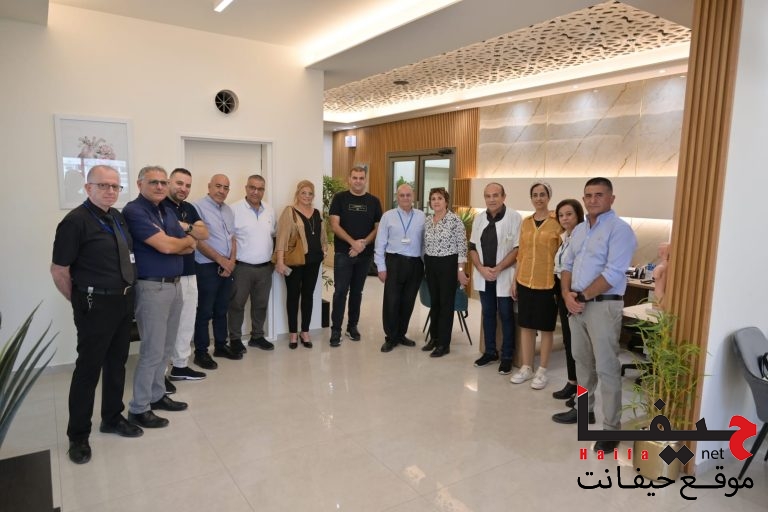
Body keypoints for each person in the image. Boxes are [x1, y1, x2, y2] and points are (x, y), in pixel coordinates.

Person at [51, 165, 142, 464]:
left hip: (122, 301)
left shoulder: (116, 217)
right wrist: (79, 300)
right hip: (94, 305)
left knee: (117, 364)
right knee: (88, 370)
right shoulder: (75, 221)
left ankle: (112, 418)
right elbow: (59, 270)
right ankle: (78, 436)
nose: (110, 191)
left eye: (115, 186)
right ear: (88, 187)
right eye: (103, 185)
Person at [552, 177, 637, 455]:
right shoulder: (579, 230)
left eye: (599, 195)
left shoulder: (620, 230)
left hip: (602, 306)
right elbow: (567, 264)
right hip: (576, 304)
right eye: (588, 195)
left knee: (606, 368)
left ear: (611, 198)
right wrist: (567, 294)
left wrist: (581, 296)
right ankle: (583, 410)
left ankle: (611, 429)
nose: (593, 200)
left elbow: (613, 273)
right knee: (581, 362)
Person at [123, 166, 196, 430]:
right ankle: (139, 408)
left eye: (163, 182)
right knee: (152, 351)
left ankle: (156, 395)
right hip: (152, 288)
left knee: (166, 348)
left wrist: (177, 243)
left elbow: (191, 244)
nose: (159, 187)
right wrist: (175, 244)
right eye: (153, 182)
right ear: (139, 183)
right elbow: (166, 245)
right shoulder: (134, 211)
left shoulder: (165, 211)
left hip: (174, 285)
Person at [509, 182, 562, 389]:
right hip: (525, 281)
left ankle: (542, 370)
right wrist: (515, 280)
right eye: (535, 195)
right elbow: (521, 254)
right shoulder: (526, 222)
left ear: (549, 197)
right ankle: (527, 367)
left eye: (542, 194)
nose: (538, 198)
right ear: (531, 198)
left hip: (547, 283)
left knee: (546, 327)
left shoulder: (557, 223)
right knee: (526, 325)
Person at [162, 168, 209, 386]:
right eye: (179, 183)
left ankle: (180, 366)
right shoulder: (159, 207)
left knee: (186, 323)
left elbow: (204, 234)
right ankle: (159, 375)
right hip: (167, 275)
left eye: (188, 185)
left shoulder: (189, 208)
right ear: (169, 182)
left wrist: (183, 227)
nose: (184, 188)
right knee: (165, 327)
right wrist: (191, 235)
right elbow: (170, 242)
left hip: (190, 274)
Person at [470, 182, 522, 374]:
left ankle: (507, 356)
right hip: (484, 275)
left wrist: (499, 268)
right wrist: (481, 268)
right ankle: (490, 351)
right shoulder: (479, 219)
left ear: (503, 197)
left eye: (495, 195)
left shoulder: (514, 217)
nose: (491, 199)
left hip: (504, 275)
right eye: (488, 196)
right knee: (488, 313)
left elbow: (517, 249)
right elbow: (472, 247)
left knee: (506, 315)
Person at [328, 166, 382, 347]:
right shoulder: (339, 198)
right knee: (340, 292)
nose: (358, 181)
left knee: (357, 292)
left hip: (364, 255)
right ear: (349, 179)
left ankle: (352, 326)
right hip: (343, 254)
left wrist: (363, 244)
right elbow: (334, 225)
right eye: (355, 177)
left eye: (361, 178)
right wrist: (353, 243)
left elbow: (378, 228)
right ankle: (336, 329)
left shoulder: (374, 201)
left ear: (365, 180)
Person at [192, 174, 240, 369]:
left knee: (222, 309)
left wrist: (232, 262)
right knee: (204, 311)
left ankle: (220, 346)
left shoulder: (228, 210)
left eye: (226, 187)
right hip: (206, 266)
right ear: (209, 186)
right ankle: (201, 352)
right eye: (218, 186)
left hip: (227, 266)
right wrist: (221, 261)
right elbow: (197, 240)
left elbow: (232, 238)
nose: (222, 191)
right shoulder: (197, 207)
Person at [275, 180, 328, 348]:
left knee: (308, 295)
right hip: (295, 261)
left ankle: (305, 331)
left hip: (314, 261)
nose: (307, 196)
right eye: (303, 193)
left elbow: (321, 234)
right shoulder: (289, 211)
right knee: (293, 296)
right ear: (297, 194)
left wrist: (324, 249)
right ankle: (293, 333)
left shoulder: (317, 212)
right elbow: (282, 238)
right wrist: (280, 262)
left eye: (310, 193)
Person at [375, 184, 426, 353]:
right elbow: (380, 243)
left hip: (415, 264)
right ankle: (391, 337)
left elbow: (424, 243)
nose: (405, 198)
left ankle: (401, 334)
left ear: (413, 197)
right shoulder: (388, 216)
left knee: (408, 301)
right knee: (392, 301)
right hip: (394, 262)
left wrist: (426, 265)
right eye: (402, 195)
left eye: (408, 195)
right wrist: (381, 267)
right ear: (397, 197)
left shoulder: (421, 216)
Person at [228, 175, 277, 352]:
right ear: (246, 188)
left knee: (261, 304)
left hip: (265, 268)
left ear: (264, 190)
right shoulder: (233, 209)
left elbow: (273, 236)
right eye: (252, 188)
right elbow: (229, 239)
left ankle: (257, 336)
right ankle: (235, 339)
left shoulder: (270, 210)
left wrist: (273, 262)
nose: (256, 192)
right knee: (236, 304)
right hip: (241, 268)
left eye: (260, 189)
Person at [422, 187, 469, 357]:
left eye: (439, 198)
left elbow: (462, 247)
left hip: (448, 264)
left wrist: (460, 271)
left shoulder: (454, 220)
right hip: (431, 263)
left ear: (446, 201)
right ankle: (434, 338)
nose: (436, 201)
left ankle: (443, 343)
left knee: (445, 304)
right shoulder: (428, 220)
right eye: (433, 198)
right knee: (435, 302)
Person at [550, 198, 585, 406]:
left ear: (578, 215)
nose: (564, 218)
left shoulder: (583, 238)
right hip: (562, 290)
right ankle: (572, 382)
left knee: (580, 346)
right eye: (561, 215)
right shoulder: (565, 237)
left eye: (569, 214)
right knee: (569, 340)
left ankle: (583, 395)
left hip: (575, 292)